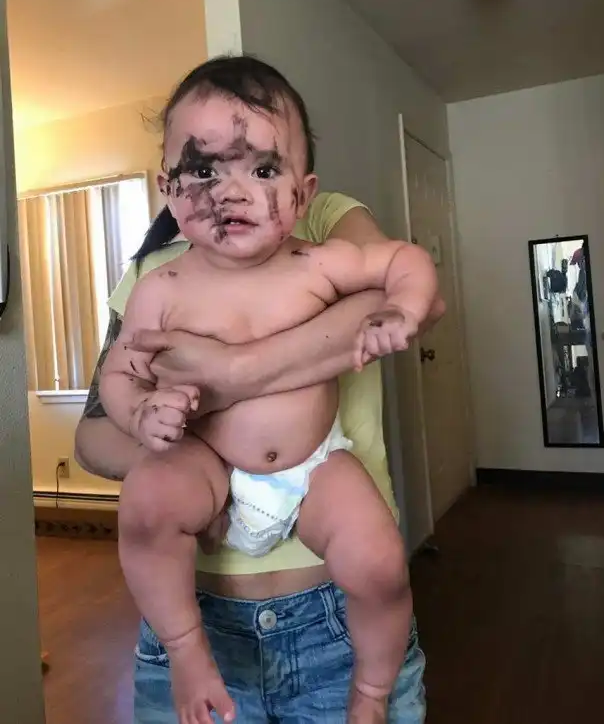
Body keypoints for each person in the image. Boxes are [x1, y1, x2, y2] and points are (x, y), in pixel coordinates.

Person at [75, 61, 445, 724]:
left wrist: (402, 309)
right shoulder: (159, 287)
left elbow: (405, 262)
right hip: (206, 469)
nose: (232, 192)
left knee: (381, 561)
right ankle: (187, 652)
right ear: (168, 188)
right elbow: (120, 377)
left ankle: (369, 694)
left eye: (264, 170)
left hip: (314, 470)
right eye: (203, 170)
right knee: (148, 502)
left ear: (304, 194)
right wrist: (143, 414)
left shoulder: (319, 259)